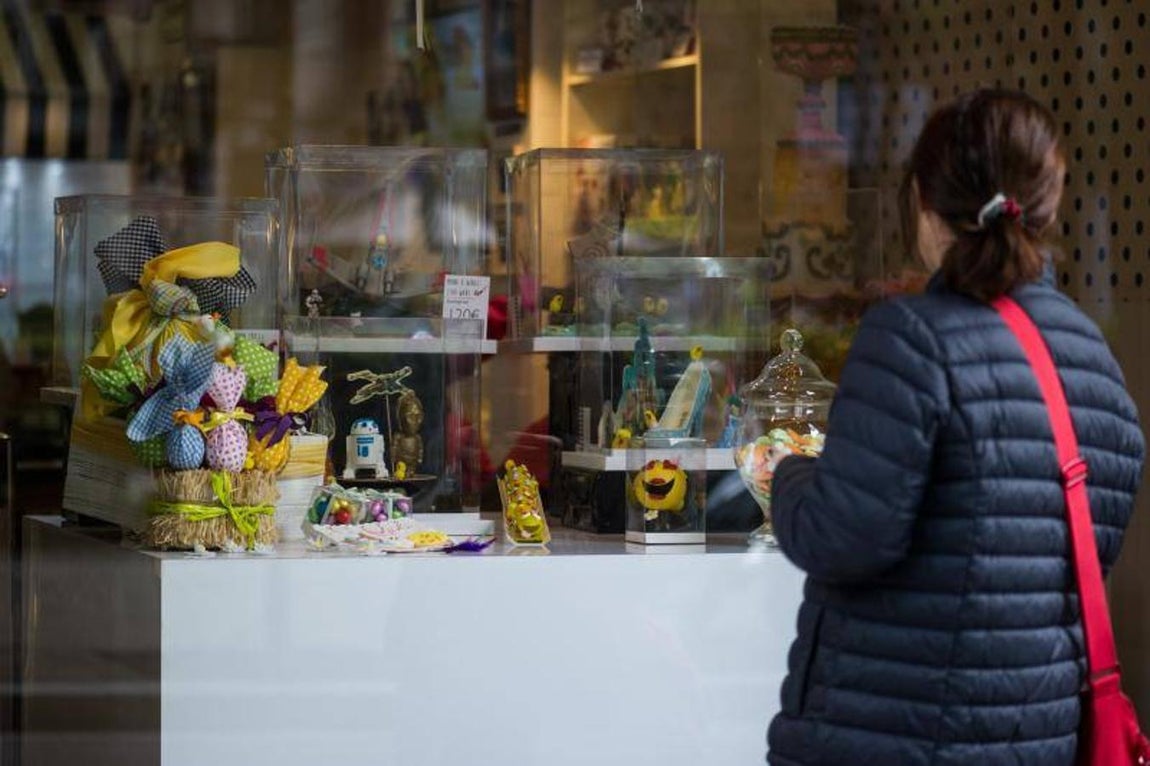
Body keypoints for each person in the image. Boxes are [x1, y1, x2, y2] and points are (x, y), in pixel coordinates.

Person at [765, 89, 1144, 765]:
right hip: (1037, 738)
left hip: (893, 737)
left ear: (924, 206)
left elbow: (840, 536)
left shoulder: (910, 338)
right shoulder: (1095, 364)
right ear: (1046, 208)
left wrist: (788, 473)